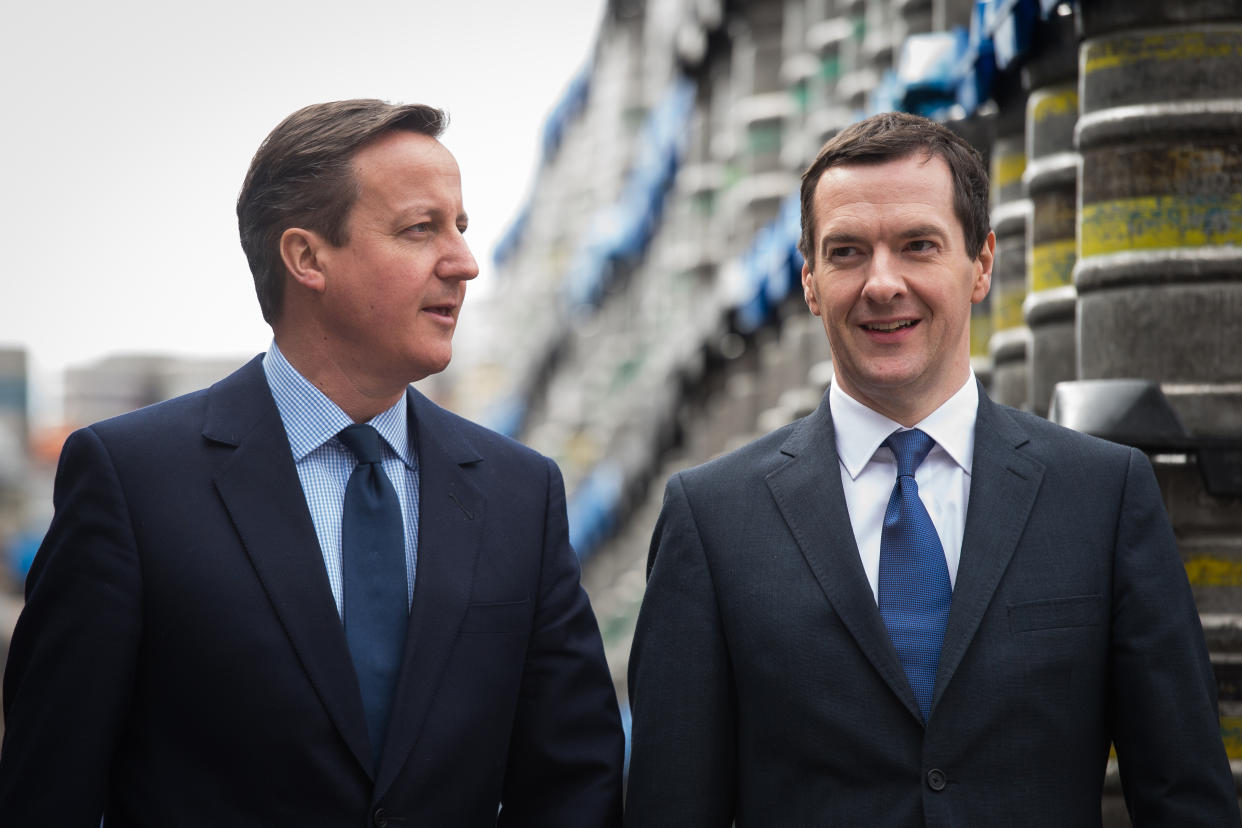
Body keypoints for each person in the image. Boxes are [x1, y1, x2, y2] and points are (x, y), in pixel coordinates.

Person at [0, 99, 625, 827]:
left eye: (460, 228)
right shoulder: (133, 482)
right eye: (420, 229)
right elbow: (50, 787)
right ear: (306, 258)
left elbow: (573, 782)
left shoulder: (520, 493)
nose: (464, 263)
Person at [624, 111, 1239, 826]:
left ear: (980, 265)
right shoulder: (713, 520)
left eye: (918, 245)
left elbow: (1185, 796)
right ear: (811, 282)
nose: (882, 284)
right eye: (847, 252)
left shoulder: (1101, 497)